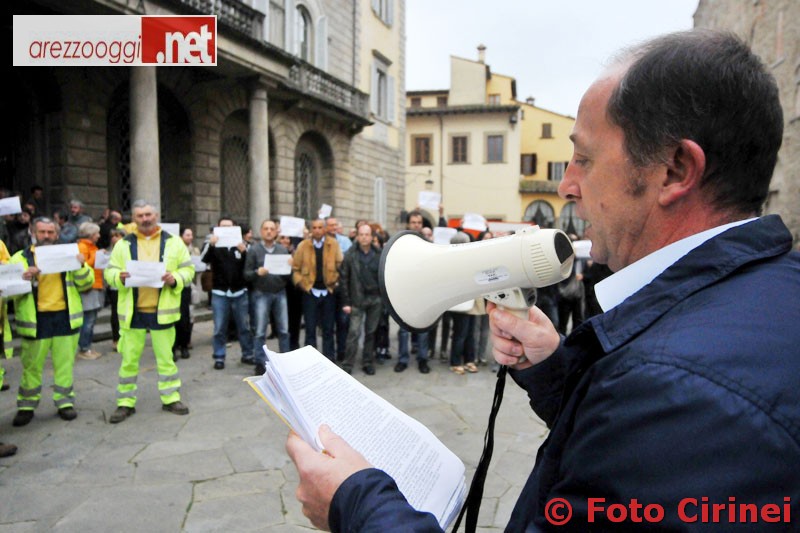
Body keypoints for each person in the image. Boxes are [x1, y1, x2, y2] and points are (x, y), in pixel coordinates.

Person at [284, 30, 799, 530]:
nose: (566, 185)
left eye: (585, 158)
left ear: (675, 170)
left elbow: (649, 431)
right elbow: (624, 455)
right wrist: (557, 370)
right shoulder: (771, 292)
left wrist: (355, 504)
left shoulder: (679, 393)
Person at [104, 200, 193, 423]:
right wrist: (118, 277)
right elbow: (110, 271)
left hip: (163, 310)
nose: (145, 219)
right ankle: (125, 403)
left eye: (148, 215)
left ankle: (171, 398)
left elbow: (188, 269)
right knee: (129, 360)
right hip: (133, 311)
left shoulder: (174, 243)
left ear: (156, 215)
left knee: (166, 359)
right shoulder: (123, 244)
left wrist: (176, 278)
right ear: (134, 219)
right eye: (140, 216)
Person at [10, 217, 93, 426]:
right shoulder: (20, 258)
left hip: (65, 316)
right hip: (35, 319)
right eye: (42, 232)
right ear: (32, 232)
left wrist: (81, 265)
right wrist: (23, 278)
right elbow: (8, 292)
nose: (46, 236)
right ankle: (26, 405)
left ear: (57, 234)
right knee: (31, 366)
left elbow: (86, 284)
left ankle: (64, 402)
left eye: (50, 232)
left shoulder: (68, 255)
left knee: (65, 364)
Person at [200, 216, 254, 370]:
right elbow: (204, 259)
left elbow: (250, 264)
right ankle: (219, 356)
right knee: (219, 328)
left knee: (243, 326)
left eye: (229, 227)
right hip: (220, 292)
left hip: (239, 292)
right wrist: (211, 245)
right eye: (222, 226)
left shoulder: (242, 245)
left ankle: (248, 354)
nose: (226, 229)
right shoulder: (213, 244)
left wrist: (244, 252)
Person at [292, 219, 343, 362]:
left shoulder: (333, 245)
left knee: (328, 329)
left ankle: (329, 360)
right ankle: (310, 362)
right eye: (314, 227)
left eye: (320, 227)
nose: (317, 230)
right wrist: (301, 284)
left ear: (325, 229)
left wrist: (336, 280)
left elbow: (340, 265)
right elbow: (295, 269)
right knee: (310, 329)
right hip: (310, 292)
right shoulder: (303, 246)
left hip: (328, 292)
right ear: (311, 229)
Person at [244, 219, 291, 375]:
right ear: (261, 231)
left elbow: (288, 276)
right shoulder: (254, 250)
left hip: (280, 293)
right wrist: (257, 272)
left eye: (272, 229)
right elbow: (246, 274)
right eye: (266, 229)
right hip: (261, 294)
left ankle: (284, 361)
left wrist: (290, 266)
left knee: (283, 329)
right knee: (260, 330)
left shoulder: (283, 250)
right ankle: (260, 361)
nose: (269, 231)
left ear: (276, 231)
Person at [339, 223, 382, 376]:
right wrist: (346, 302)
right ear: (357, 236)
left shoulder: (379, 254)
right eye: (361, 234)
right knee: (353, 333)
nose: (364, 237)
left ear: (372, 237)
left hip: (375, 299)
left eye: (367, 234)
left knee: (371, 332)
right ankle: (348, 363)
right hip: (357, 299)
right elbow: (344, 278)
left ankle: (368, 361)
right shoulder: (350, 255)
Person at [394, 211, 430, 374]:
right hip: (405, 294)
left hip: (423, 293)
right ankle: (403, 359)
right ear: (408, 224)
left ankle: (422, 359)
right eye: (413, 222)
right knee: (403, 330)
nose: (416, 225)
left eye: (419, 222)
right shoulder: (401, 243)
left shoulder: (429, 243)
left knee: (423, 329)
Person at [76, 222, 105, 360]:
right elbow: (83, 264)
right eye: (97, 233)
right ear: (90, 234)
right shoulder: (82, 246)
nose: (99, 236)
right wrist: (98, 256)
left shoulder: (92, 246)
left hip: (95, 284)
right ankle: (84, 348)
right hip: (89, 286)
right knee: (88, 319)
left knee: (91, 319)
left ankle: (87, 347)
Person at [174, 227, 199, 361]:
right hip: (172, 287)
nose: (190, 237)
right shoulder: (173, 249)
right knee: (173, 319)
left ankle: (184, 344)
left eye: (191, 234)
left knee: (186, 317)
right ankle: (174, 346)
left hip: (187, 285)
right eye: (187, 234)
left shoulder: (194, 250)